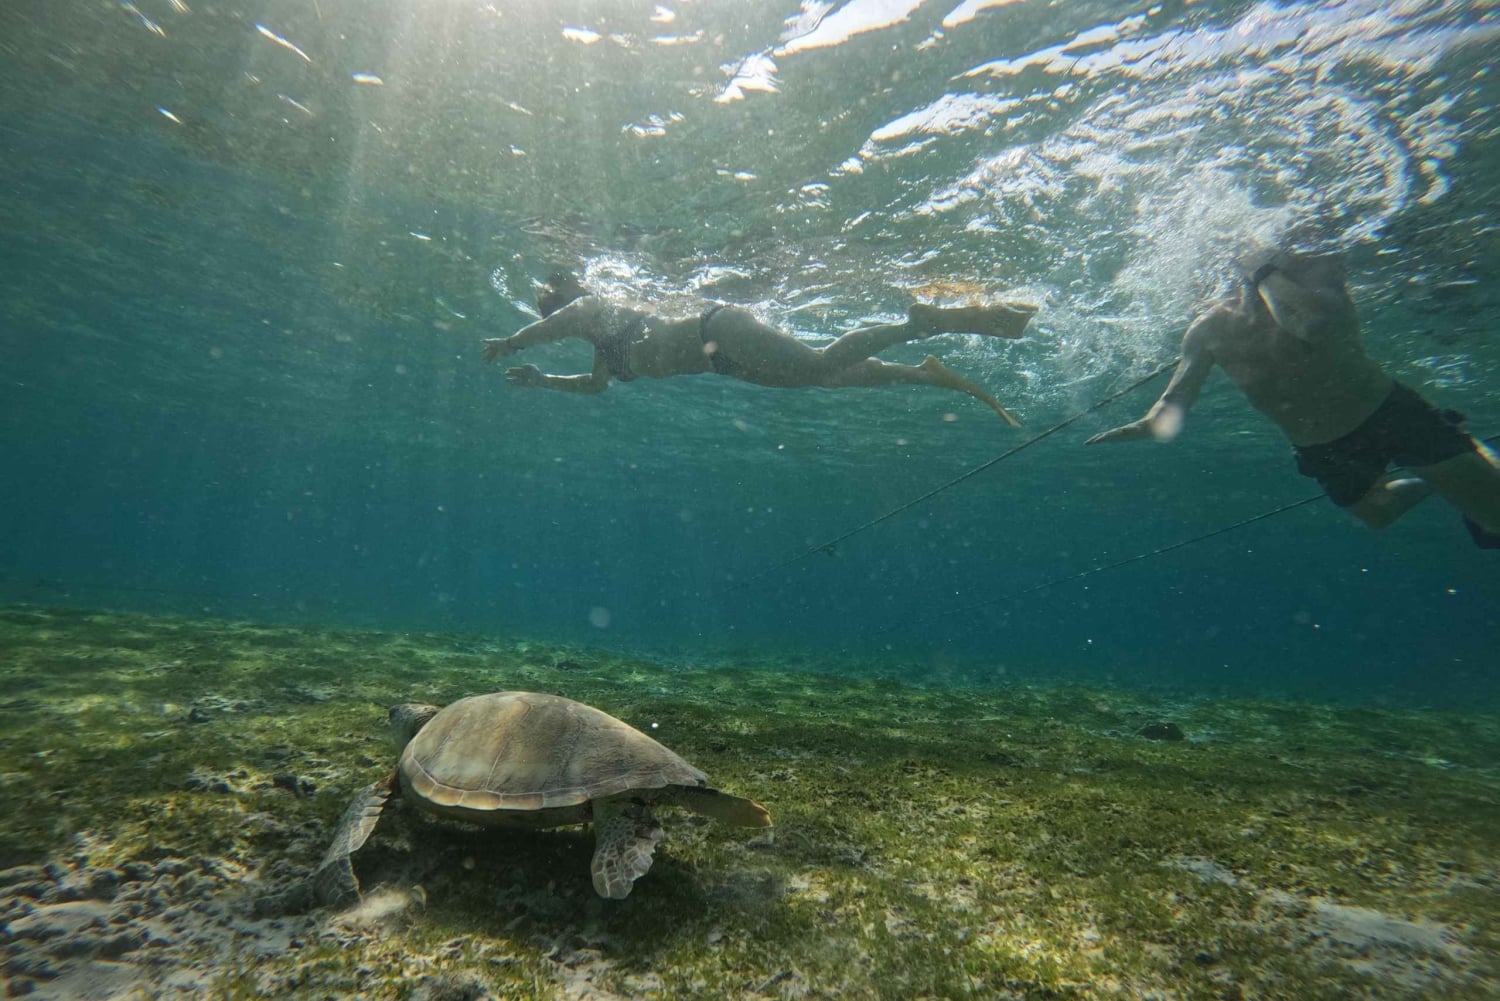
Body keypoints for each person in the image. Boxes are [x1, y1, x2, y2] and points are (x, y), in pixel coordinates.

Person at [1087, 248, 1500, 549]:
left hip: (1386, 413)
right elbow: (1174, 401)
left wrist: (1266, 274)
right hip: (1324, 449)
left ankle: (1460, 457)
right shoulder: (1207, 330)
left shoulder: (1312, 273)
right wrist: (1147, 426)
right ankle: (1437, 476)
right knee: (1379, 514)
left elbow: (1317, 328)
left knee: (1494, 518)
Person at [482, 271, 1037, 425]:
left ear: (562, 302)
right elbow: (594, 387)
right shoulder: (605, 351)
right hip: (725, 363)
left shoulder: (593, 308)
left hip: (716, 330)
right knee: (827, 377)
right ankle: (922, 372)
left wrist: (511, 342)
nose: (552, 324)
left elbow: (557, 325)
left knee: (821, 365)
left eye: (547, 314)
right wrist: (540, 381)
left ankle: (921, 323)